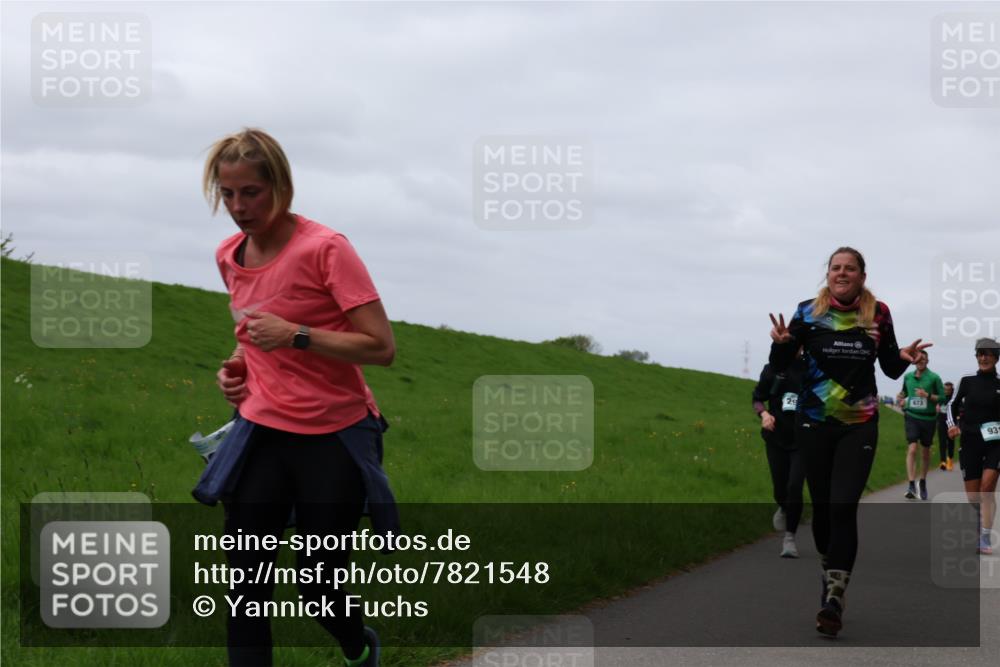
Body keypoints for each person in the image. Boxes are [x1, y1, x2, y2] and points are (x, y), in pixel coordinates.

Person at [203, 128, 395, 667]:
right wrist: (237, 370)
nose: (239, 207)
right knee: (245, 590)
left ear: (280, 187)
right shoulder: (228, 255)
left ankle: (359, 646)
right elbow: (251, 334)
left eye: (251, 193)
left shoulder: (325, 249)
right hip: (260, 431)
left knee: (319, 590)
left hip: (331, 433)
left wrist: (298, 335)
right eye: (228, 194)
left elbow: (381, 347)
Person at [768, 246, 928, 637]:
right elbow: (781, 365)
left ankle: (834, 596)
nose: (842, 273)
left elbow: (889, 368)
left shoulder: (879, 313)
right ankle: (830, 568)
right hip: (814, 423)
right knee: (822, 510)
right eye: (836, 268)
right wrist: (783, 342)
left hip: (860, 423)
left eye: (850, 268)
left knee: (843, 506)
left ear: (862, 275)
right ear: (828, 274)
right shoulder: (808, 311)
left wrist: (904, 356)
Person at [947, 338, 1000, 556]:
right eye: (980, 354)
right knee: (973, 496)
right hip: (970, 441)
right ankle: (981, 522)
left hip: (996, 443)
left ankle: (985, 537)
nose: (983, 358)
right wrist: (951, 425)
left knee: (987, 488)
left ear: (996, 358)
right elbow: (952, 404)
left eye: (988, 354)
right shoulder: (967, 380)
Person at [752, 351, 808, 558]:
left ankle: (790, 538)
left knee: (795, 486)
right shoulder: (772, 369)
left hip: (802, 439)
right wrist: (764, 414)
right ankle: (784, 506)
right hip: (776, 438)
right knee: (780, 488)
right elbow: (757, 398)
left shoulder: (810, 367)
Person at [898, 351, 945, 500]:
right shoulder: (907, 377)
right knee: (912, 448)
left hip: (929, 419)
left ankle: (922, 482)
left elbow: (943, 398)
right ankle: (911, 484)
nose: (921, 361)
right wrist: (900, 399)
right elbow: (904, 393)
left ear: (928, 360)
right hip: (911, 416)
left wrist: (928, 396)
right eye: (919, 358)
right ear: (914, 360)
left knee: (925, 451)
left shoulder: (934, 378)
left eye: (924, 358)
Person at [937, 381, 956, 471]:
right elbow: (935, 405)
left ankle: (950, 460)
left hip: (951, 424)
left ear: (952, 390)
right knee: (942, 443)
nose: (946, 391)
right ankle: (942, 462)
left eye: (948, 390)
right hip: (941, 422)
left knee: (950, 442)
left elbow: (960, 408)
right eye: (945, 389)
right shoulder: (941, 398)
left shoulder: (955, 398)